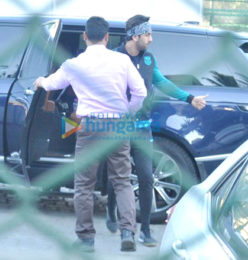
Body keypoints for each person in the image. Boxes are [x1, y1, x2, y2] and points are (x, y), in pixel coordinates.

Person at [34, 16, 147, 252]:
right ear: (107, 38)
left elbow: (52, 84)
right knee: (123, 181)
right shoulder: (122, 61)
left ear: (85, 37)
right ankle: (128, 232)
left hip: (90, 126)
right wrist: (127, 111)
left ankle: (86, 239)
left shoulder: (73, 64)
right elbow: (141, 92)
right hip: (119, 124)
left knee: (84, 184)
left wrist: (40, 81)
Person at [106, 14, 208, 247]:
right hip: (118, 127)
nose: (151, 39)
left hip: (142, 128)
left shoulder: (149, 60)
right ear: (135, 36)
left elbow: (161, 82)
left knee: (146, 176)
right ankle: (111, 210)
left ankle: (144, 230)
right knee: (117, 176)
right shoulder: (114, 57)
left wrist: (190, 98)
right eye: (147, 35)